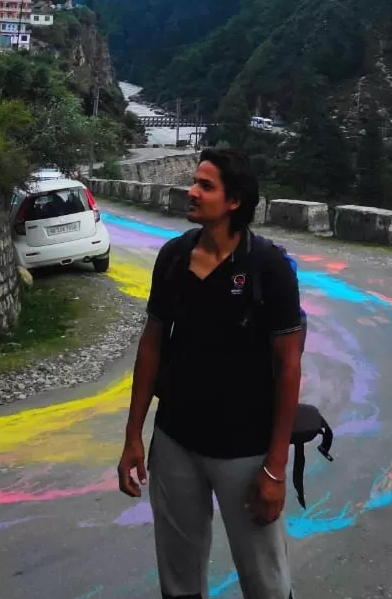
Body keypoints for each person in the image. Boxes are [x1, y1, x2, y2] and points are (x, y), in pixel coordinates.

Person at [118, 147, 303, 599]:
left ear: (234, 200)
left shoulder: (269, 268)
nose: (191, 191)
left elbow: (288, 367)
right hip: (176, 442)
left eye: (205, 185)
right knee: (179, 576)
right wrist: (133, 437)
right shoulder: (173, 259)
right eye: (194, 182)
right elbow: (152, 345)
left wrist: (276, 468)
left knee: (265, 579)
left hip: (245, 450)